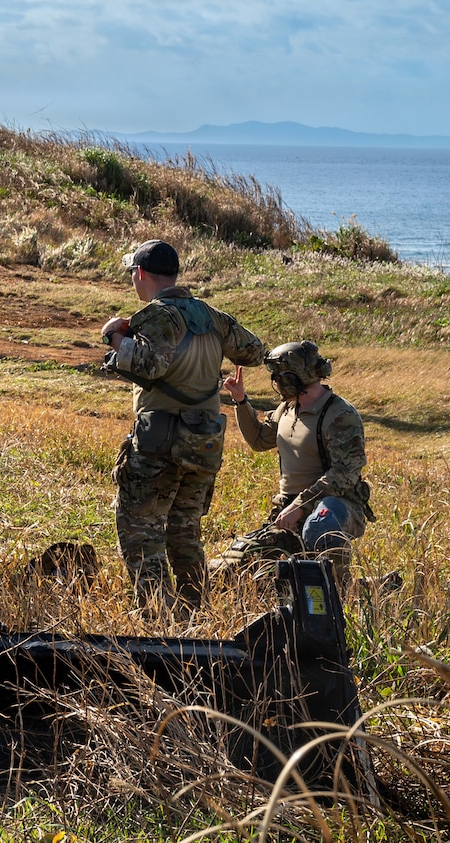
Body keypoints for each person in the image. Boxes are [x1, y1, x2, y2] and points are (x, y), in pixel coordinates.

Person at [102, 238, 267, 615]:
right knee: (184, 530)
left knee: (140, 530)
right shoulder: (211, 316)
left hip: (160, 443)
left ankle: (158, 617)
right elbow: (254, 351)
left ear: (140, 274)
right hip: (203, 444)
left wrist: (114, 337)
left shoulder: (158, 315)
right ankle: (195, 613)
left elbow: (149, 366)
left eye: (132, 273)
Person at [216, 341, 373, 581]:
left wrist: (300, 506)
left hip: (336, 506)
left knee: (320, 527)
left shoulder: (340, 415)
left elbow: (344, 476)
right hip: (288, 512)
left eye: (278, 376)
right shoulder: (286, 409)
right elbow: (259, 439)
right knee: (234, 569)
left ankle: (341, 591)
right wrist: (240, 400)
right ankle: (365, 587)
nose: (276, 382)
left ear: (293, 377)